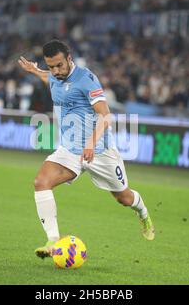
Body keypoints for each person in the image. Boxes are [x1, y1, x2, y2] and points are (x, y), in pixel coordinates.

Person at [18, 40, 155, 259]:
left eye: (59, 65)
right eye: (50, 66)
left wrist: (91, 144)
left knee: (124, 198)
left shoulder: (86, 79)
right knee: (41, 182)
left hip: (99, 151)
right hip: (70, 150)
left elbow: (106, 115)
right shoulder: (54, 75)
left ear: (69, 59)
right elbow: (50, 79)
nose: (55, 71)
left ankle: (143, 212)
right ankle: (53, 241)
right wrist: (36, 71)